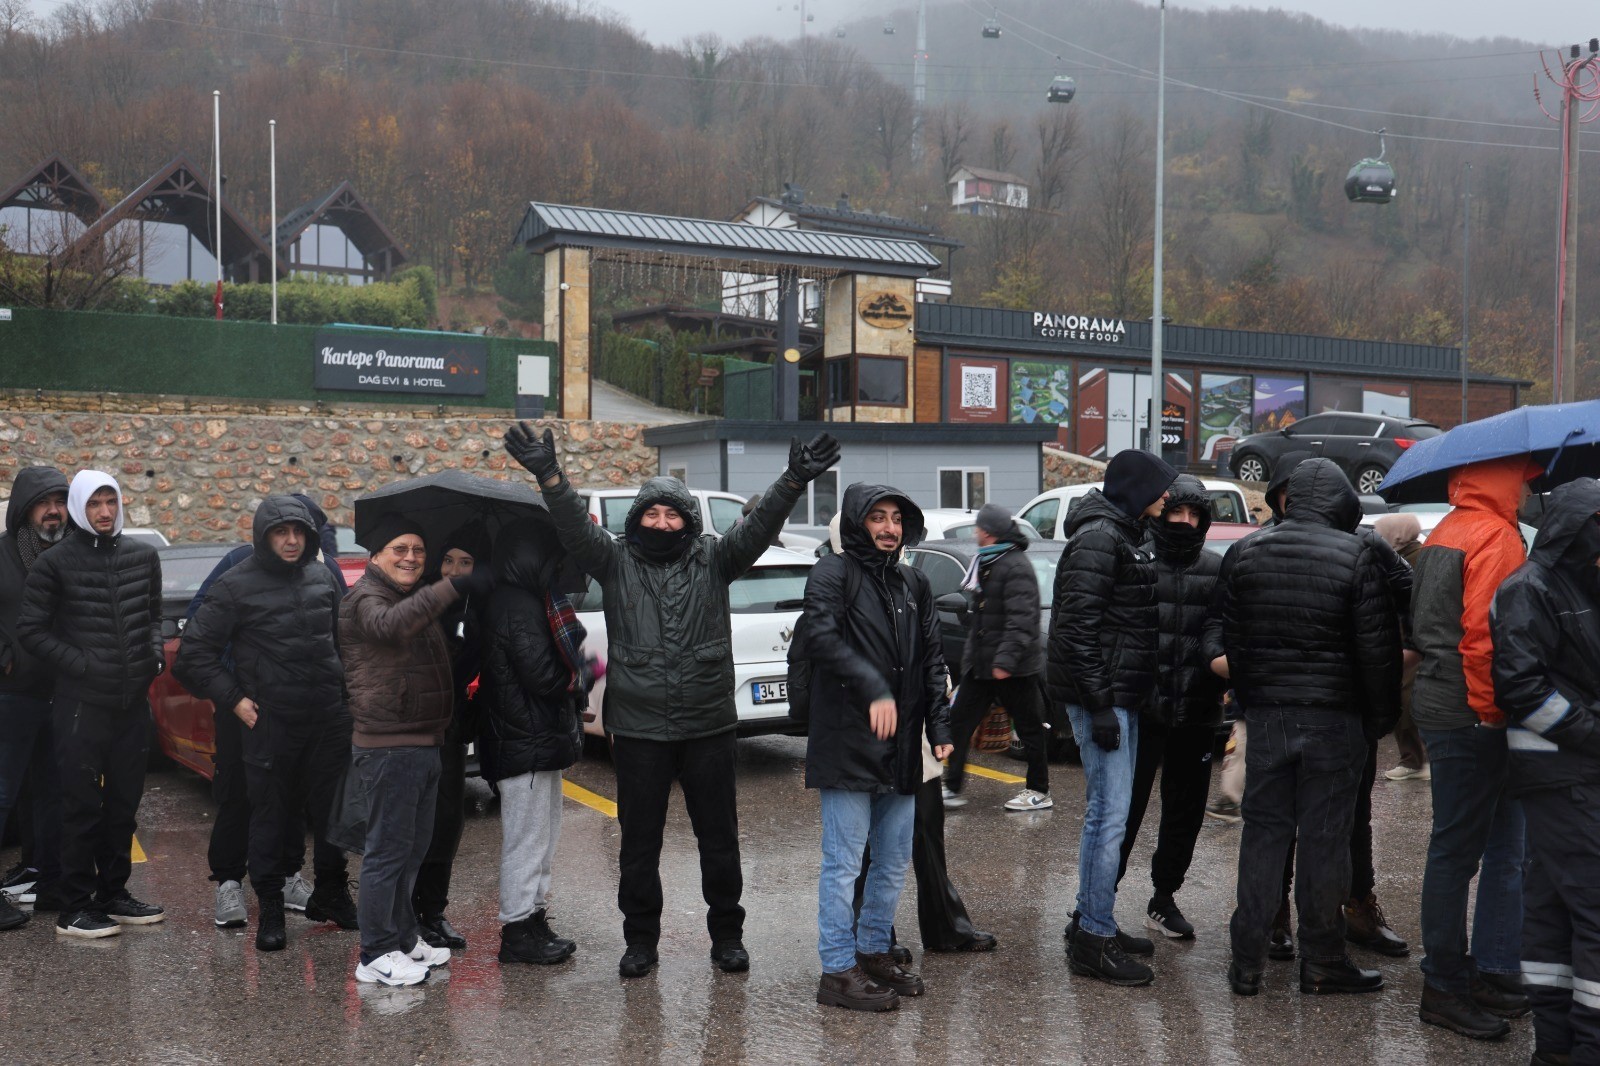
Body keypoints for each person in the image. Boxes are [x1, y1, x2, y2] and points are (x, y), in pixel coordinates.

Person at [504, 423, 839, 978]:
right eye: (652, 514)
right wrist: (550, 476)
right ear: (637, 518)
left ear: (688, 521)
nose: (662, 523)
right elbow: (573, 527)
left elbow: (760, 526)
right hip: (639, 730)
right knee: (639, 845)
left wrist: (794, 479)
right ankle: (640, 941)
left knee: (719, 842)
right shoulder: (614, 562)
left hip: (708, 725)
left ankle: (727, 936)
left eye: (673, 515)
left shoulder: (716, 559)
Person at [1210, 458, 1401, 998]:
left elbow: (1232, 637)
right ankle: (1322, 960)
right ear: (1342, 503)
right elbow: (1378, 650)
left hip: (1267, 715)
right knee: (1325, 841)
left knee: (1263, 835)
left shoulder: (1246, 551)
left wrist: (1253, 697)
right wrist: (1378, 719)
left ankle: (1246, 960)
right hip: (1335, 720)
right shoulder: (1357, 555)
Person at [174, 496, 350, 952]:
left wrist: (348, 698)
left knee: (332, 813)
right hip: (271, 722)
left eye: (298, 532)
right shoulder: (236, 584)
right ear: (263, 536)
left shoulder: (323, 576)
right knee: (269, 814)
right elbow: (193, 654)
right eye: (281, 532)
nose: (291, 541)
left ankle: (332, 891)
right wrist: (235, 700)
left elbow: (344, 641)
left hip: (327, 717)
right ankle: (270, 906)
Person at [802, 484, 953, 1011]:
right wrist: (873, 686)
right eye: (877, 518)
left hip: (902, 744)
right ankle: (836, 969)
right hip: (847, 742)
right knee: (843, 864)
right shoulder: (833, 573)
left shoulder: (913, 582)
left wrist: (940, 727)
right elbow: (820, 638)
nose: (889, 528)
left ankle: (872, 951)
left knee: (891, 860)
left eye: (896, 519)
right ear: (856, 523)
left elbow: (932, 658)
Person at [1413, 456, 1540, 1038]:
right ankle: (1445, 985)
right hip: (1473, 712)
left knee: (1492, 843)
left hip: (1444, 700)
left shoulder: (1448, 526)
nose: (1529, 489)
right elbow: (1486, 635)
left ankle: (1488, 969)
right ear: (1504, 479)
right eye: (1524, 479)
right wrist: (1492, 714)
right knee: (1459, 852)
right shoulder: (1496, 535)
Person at [341, 514, 490, 986]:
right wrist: (449, 588)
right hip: (390, 745)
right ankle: (375, 952)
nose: (411, 558)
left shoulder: (409, 597)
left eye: (418, 550)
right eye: (399, 549)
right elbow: (391, 628)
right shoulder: (366, 599)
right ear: (376, 556)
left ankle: (404, 938)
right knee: (386, 854)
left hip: (425, 740)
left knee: (411, 852)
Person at [1048, 449, 1177, 987]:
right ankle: (1093, 939)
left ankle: (1090, 918)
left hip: (1122, 695)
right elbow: (1076, 630)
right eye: (1159, 487)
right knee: (1108, 817)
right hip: (1103, 699)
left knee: (1110, 816)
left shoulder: (1125, 533)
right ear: (1135, 489)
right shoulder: (1100, 538)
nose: (1167, 496)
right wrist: (1100, 706)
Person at [17, 470, 165, 938]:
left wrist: (155, 656)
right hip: (81, 705)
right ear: (81, 508)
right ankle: (74, 906)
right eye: (95, 503)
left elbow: (154, 615)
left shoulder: (143, 556)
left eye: (111, 501)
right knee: (81, 808)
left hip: (131, 705)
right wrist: (80, 664)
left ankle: (113, 894)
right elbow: (31, 630)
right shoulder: (54, 562)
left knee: (123, 807)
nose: (104, 511)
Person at [1490, 477, 1600, 1061]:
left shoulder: (1576, 583)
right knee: (1591, 910)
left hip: (1572, 771)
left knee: (1555, 911)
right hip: (1560, 771)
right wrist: (1591, 732)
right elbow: (1522, 688)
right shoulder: (1528, 589)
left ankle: (1557, 1048)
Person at [1116, 475, 1225, 941]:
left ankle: (1163, 899)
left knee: (1185, 814)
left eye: (1194, 514)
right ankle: (1097, 903)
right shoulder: (1136, 560)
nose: (1184, 521)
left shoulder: (1217, 568)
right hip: (1142, 711)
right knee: (1123, 812)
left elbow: (1222, 630)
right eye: (1176, 511)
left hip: (1197, 711)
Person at [478, 518, 589, 966]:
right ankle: (517, 930)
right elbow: (542, 675)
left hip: (536, 740)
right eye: (550, 557)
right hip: (523, 742)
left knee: (542, 838)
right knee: (526, 842)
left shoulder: (526, 601)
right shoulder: (516, 604)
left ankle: (534, 918)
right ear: (530, 557)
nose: (557, 566)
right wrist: (583, 671)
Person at [412, 520, 491, 951]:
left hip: (452, 726)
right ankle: (406, 913)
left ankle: (433, 910)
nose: (454, 570)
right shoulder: (420, 601)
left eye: (465, 562)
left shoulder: (480, 607)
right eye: (447, 560)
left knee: (447, 819)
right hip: (415, 727)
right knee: (413, 822)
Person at [942, 502, 1050, 812]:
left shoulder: (1014, 566)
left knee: (1029, 729)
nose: (975, 532)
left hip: (1012, 668)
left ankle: (1039, 791)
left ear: (988, 532)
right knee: (959, 723)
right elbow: (983, 618)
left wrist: (1005, 661)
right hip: (983, 666)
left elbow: (1022, 620)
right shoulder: (989, 561)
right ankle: (952, 788)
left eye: (978, 527)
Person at [0, 466, 69, 930]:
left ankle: (51, 881)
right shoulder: (3, 554)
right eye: (43, 502)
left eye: (60, 501)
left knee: (51, 793)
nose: (53, 511)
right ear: (24, 509)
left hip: (61, 694)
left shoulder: (71, 554)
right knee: (3, 793)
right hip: (11, 694)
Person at [1375, 513, 1429, 781]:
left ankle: (1415, 760)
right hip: (1411, 638)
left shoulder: (1411, 560)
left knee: (1405, 697)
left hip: (1411, 641)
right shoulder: (1411, 556)